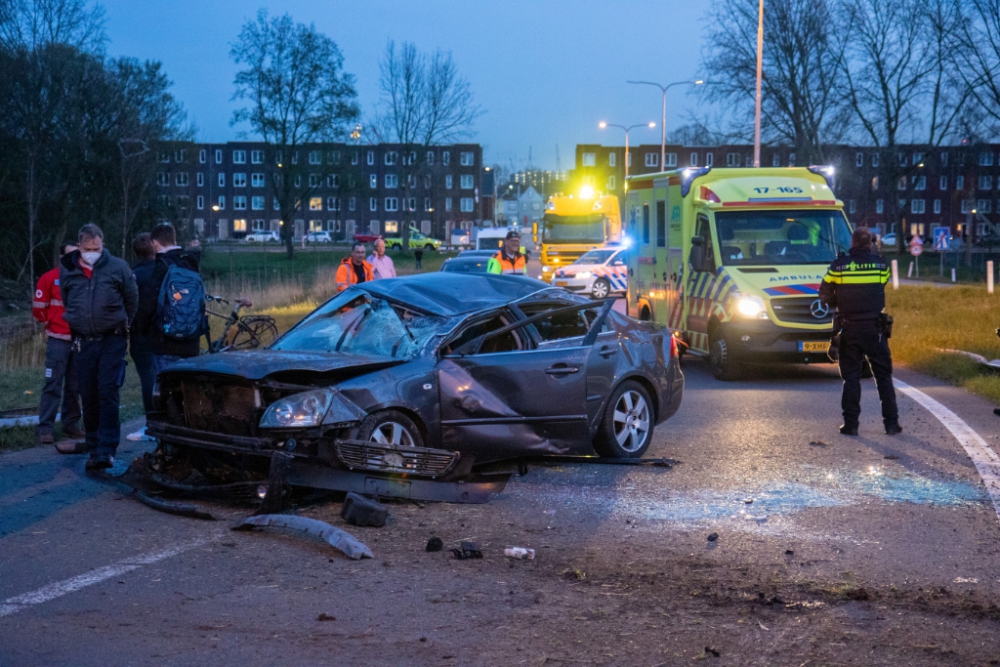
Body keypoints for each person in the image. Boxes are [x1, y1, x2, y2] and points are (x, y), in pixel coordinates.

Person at [60, 224, 138, 470]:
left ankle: (106, 450)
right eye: (88, 248)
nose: (93, 252)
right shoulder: (68, 269)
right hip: (84, 340)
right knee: (89, 395)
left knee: (108, 392)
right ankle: (93, 447)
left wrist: (123, 325)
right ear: (80, 246)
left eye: (97, 248)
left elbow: (132, 299)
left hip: (112, 339)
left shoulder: (118, 268)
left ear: (102, 245)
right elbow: (67, 298)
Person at [818, 226, 900, 437]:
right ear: (870, 243)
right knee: (883, 377)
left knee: (851, 378)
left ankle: (851, 425)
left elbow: (824, 292)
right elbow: (881, 285)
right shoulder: (881, 265)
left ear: (852, 243)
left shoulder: (839, 266)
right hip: (875, 328)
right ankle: (891, 424)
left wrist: (839, 301)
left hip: (850, 327)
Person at [134, 223, 204, 376]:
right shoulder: (191, 262)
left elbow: (149, 303)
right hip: (192, 340)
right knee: (189, 389)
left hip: (165, 342)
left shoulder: (162, 265)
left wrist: (142, 329)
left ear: (155, 243)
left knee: (168, 390)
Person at [32, 242, 84, 446]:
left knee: (75, 385)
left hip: (79, 339)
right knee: (53, 383)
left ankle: (71, 425)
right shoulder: (49, 278)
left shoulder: (84, 277)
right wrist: (52, 323)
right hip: (58, 340)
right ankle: (45, 427)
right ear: (61, 257)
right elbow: (39, 309)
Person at [126, 233, 157, 442]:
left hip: (139, 334)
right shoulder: (163, 271)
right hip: (164, 334)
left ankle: (152, 422)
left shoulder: (132, 275)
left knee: (148, 378)